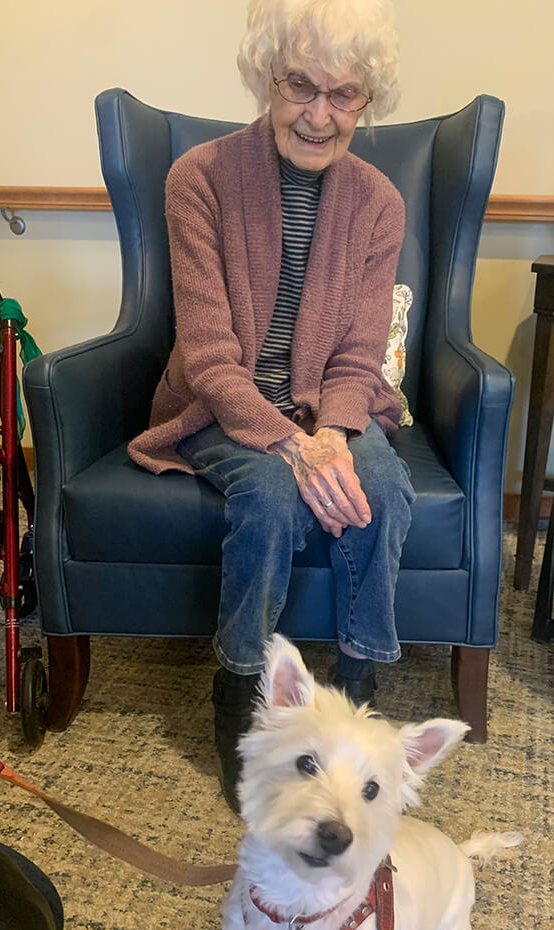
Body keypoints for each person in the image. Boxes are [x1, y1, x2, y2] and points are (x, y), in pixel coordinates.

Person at [128, 0, 414, 812]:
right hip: (228, 404)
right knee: (266, 495)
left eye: (344, 94)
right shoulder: (201, 179)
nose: (319, 115)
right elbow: (214, 359)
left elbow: (359, 355)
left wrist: (331, 435)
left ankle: (357, 692)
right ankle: (242, 688)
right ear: (266, 75)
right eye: (300, 85)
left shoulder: (379, 202)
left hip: (331, 404)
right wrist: (295, 449)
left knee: (385, 488)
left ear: (366, 101)